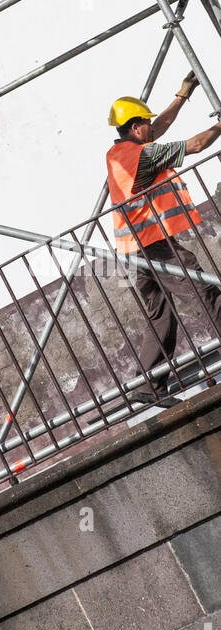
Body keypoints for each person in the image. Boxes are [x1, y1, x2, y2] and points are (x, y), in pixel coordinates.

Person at [106, 74, 221, 404]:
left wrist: (182, 96)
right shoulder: (142, 156)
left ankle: (149, 387)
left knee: (161, 315)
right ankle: (150, 386)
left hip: (130, 251)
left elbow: (159, 130)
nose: (152, 128)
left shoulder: (122, 152)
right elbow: (196, 145)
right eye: (148, 124)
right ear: (137, 126)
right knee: (204, 291)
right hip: (154, 246)